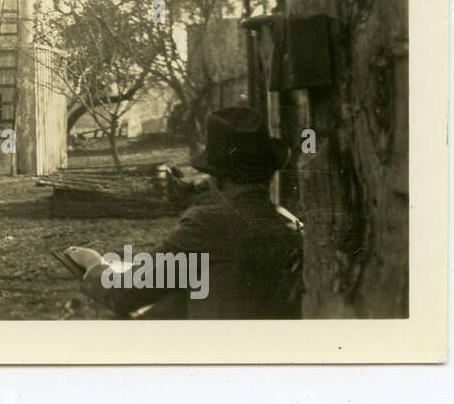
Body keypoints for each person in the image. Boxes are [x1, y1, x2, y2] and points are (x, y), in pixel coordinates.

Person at [64, 106, 302, 319]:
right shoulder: (292, 226)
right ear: (269, 175)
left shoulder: (209, 225)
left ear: (217, 180)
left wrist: (93, 263)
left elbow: (125, 292)